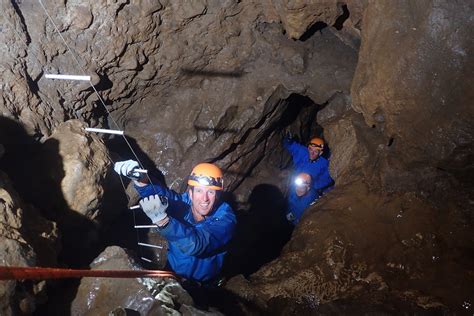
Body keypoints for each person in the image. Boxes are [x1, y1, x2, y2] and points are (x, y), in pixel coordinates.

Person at [113, 160, 236, 284]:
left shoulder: (226, 219)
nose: (205, 198)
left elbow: (197, 244)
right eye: (199, 191)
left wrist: (164, 221)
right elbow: (163, 196)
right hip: (173, 276)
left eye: (211, 192)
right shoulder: (183, 203)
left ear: (218, 195)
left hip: (202, 286)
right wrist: (141, 180)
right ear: (191, 193)